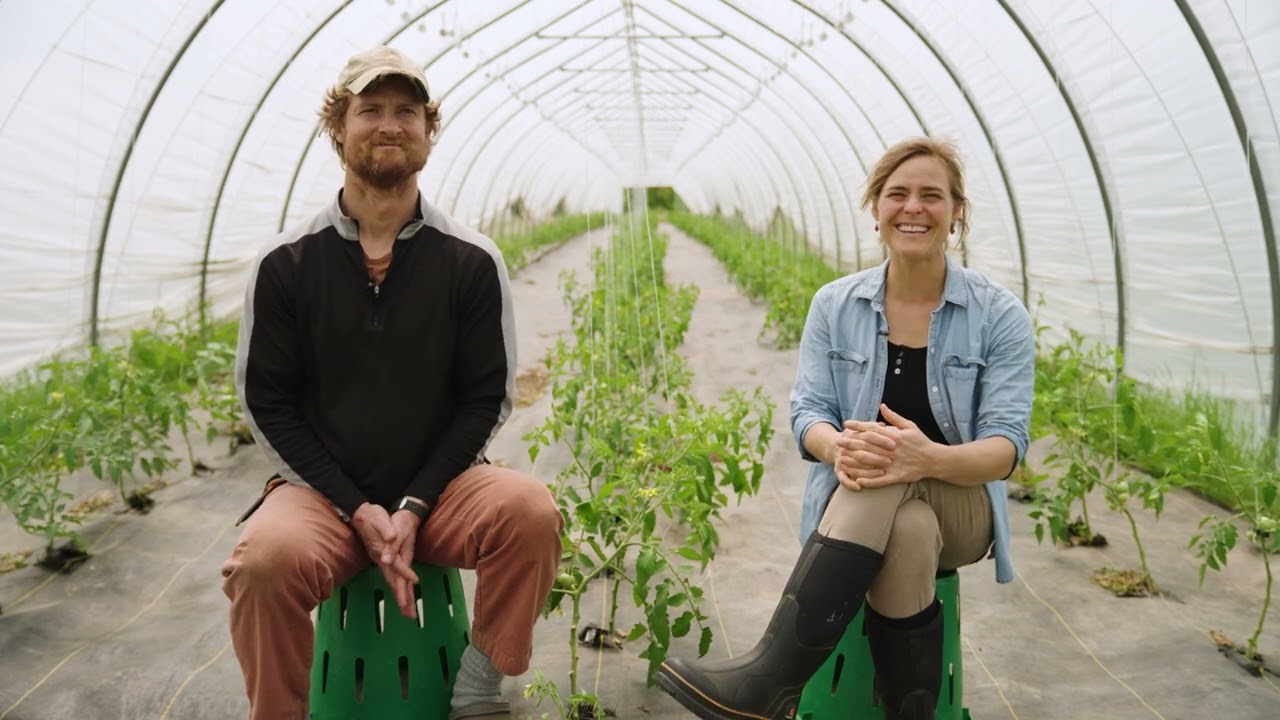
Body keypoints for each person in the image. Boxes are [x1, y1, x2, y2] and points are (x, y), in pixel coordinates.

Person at [220, 45, 563, 720]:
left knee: (531, 513)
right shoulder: (288, 263)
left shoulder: (469, 259)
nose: (389, 124)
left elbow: (482, 400)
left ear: (429, 130)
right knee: (261, 562)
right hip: (322, 496)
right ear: (337, 129)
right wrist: (357, 507)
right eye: (369, 109)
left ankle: (478, 684)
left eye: (407, 111)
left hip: (438, 493)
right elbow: (269, 403)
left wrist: (411, 504)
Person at [655, 137, 1034, 720]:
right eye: (897, 194)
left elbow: (1005, 450)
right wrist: (837, 447)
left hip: (961, 509)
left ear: (956, 211)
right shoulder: (836, 305)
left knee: (885, 471)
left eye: (932, 196)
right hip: (867, 500)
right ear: (875, 208)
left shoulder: (998, 315)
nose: (913, 208)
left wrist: (923, 458)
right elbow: (806, 414)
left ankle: (771, 679)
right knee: (904, 524)